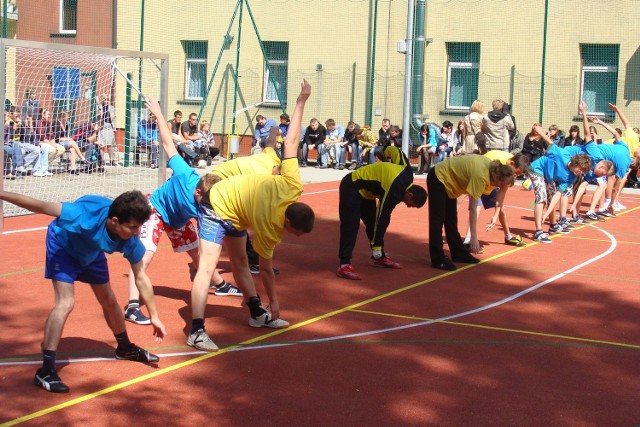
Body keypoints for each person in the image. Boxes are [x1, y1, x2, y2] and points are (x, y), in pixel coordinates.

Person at [0, 189, 167, 393]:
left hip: (91, 251)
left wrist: (155, 316)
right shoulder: (83, 215)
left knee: (108, 298)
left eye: (139, 227)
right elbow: (39, 204)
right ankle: (46, 370)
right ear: (114, 221)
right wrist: (2, 194)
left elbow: (141, 277)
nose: (136, 232)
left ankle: (124, 348)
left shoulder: (129, 240)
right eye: (133, 227)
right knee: (66, 302)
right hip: (63, 246)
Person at [188, 80, 313, 351]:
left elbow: (289, 140)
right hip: (216, 203)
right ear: (288, 223)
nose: (293, 236)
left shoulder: (293, 184)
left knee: (241, 261)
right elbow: (266, 271)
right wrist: (276, 302)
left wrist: (301, 100)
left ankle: (257, 313)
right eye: (296, 233)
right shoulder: (270, 228)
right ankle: (196, 331)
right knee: (206, 267)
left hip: (237, 209)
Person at [124, 98, 242, 326]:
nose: (206, 207)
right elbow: (169, 144)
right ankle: (131, 305)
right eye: (204, 202)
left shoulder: (210, 197)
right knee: (143, 257)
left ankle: (220, 285)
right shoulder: (184, 174)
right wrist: (159, 115)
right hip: (155, 211)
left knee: (197, 253)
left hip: (177, 220)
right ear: (198, 191)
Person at [336, 152, 428, 280]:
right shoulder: (394, 191)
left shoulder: (407, 174)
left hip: (367, 193)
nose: (407, 206)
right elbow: (383, 217)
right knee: (351, 225)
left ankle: (379, 257)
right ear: (410, 195)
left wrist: (385, 151)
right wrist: (377, 245)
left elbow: (398, 153)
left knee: (372, 224)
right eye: (410, 204)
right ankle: (344, 264)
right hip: (352, 186)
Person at [427, 155, 515, 271]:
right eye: (501, 185)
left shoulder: (492, 170)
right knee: (438, 219)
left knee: (451, 219)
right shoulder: (481, 176)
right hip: (439, 178)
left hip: (449, 183)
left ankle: (458, 253)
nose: (499, 187)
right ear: (498, 178)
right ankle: (438, 259)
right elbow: (473, 208)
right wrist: (473, 237)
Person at [527, 124, 592, 243]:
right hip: (537, 170)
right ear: (575, 163)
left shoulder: (571, 178)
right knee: (541, 197)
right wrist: (540, 132)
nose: (580, 173)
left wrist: (546, 213)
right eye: (580, 170)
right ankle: (538, 232)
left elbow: (557, 196)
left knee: (551, 198)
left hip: (549, 177)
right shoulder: (561, 155)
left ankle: (552, 224)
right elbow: (550, 143)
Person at [463, 151, 531, 249]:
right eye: (515, 173)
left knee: (501, 207)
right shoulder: (494, 159)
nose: (515, 176)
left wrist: (495, 216)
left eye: (518, 175)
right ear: (511, 163)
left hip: (492, 185)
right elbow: (479, 172)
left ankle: (508, 236)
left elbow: (502, 192)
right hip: (478, 179)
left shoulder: (511, 172)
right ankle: (468, 239)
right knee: (476, 206)